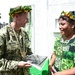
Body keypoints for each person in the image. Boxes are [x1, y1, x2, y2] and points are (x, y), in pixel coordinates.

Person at [0, 5, 33, 75]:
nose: (27, 21)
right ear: (17, 16)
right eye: (26, 19)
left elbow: (28, 52)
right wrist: (17, 64)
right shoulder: (3, 34)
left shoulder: (24, 33)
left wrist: (34, 58)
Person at [49, 11, 75, 75]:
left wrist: (61, 73)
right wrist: (50, 64)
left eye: (63, 24)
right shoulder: (58, 39)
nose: (60, 27)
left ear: (73, 25)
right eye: (59, 24)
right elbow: (55, 54)